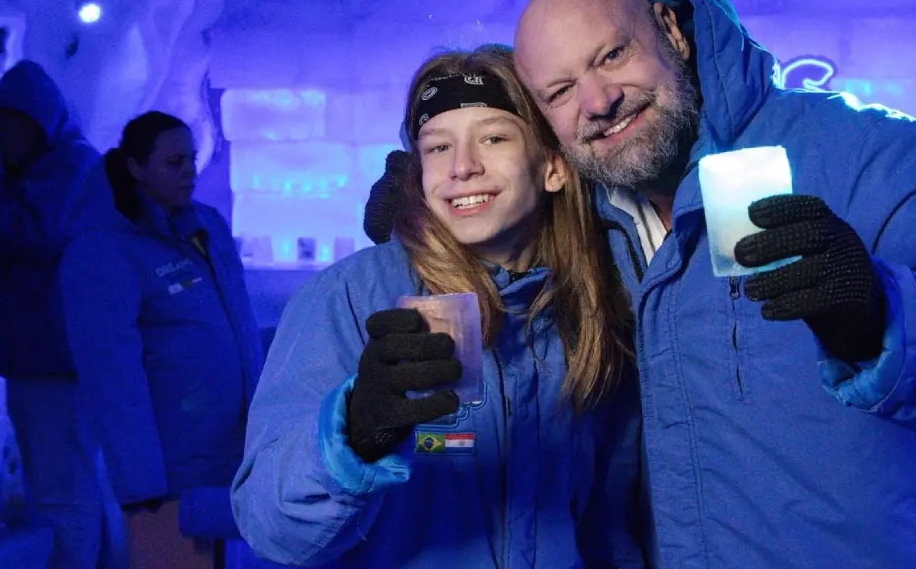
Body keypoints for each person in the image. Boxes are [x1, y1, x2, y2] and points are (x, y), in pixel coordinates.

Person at [507, 0, 916, 567]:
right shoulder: (580, 227)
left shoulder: (861, 148)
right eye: (560, 91)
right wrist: (414, 221)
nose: (598, 102)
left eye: (612, 55)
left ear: (670, 31)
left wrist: (882, 318)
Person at [231, 45, 645, 568]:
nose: (462, 168)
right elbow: (268, 526)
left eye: (494, 138)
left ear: (554, 166)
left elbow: (615, 514)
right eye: (437, 147)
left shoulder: (591, 302)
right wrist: (354, 436)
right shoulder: (351, 297)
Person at [59, 111, 264, 569]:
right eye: (173, 162)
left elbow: (239, 330)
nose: (189, 171)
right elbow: (110, 375)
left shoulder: (205, 225)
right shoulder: (103, 249)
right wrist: (141, 484)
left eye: (191, 159)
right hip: (168, 472)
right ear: (135, 167)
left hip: (228, 453)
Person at [0, 60, 111, 569]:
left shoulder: (73, 165)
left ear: (37, 122)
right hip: (40, 354)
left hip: (55, 357)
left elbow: (27, 235)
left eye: (7, 128)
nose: (0, 139)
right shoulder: (42, 170)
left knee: (62, 492)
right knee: (66, 486)